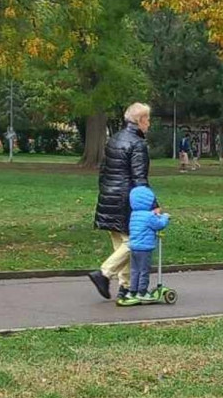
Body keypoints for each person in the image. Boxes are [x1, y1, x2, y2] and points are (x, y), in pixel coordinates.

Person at [88, 102, 156, 301]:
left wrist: (105, 192)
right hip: (126, 200)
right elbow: (139, 178)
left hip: (108, 195)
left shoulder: (114, 139)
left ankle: (125, 287)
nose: (149, 124)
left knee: (120, 243)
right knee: (134, 242)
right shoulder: (138, 144)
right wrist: (152, 204)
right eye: (148, 119)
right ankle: (104, 273)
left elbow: (104, 171)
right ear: (140, 120)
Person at [117, 186, 170, 306]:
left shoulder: (134, 215)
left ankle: (132, 291)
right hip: (145, 248)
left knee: (134, 270)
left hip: (134, 247)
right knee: (144, 270)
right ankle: (142, 291)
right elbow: (159, 225)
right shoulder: (149, 216)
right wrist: (165, 217)